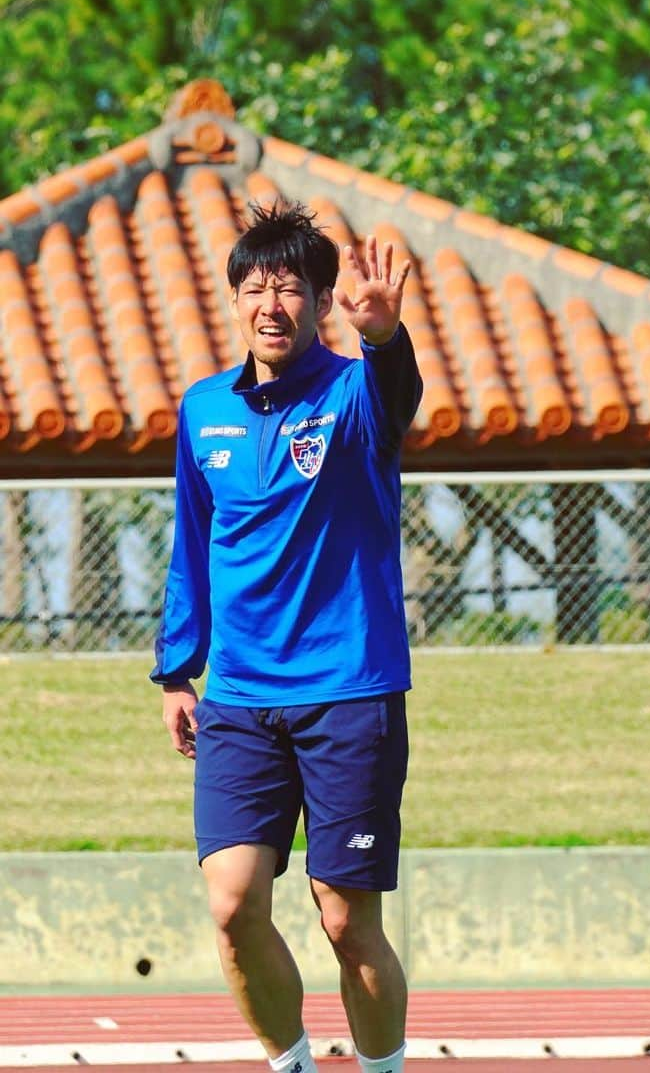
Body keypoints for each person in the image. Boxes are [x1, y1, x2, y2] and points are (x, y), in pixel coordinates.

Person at [151, 200, 421, 1073]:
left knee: (346, 922)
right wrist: (175, 675)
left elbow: (397, 397)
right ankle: (292, 1064)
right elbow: (193, 544)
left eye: (293, 289)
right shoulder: (202, 412)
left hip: (349, 691)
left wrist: (383, 341)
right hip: (237, 698)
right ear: (234, 300)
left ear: (321, 301)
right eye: (256, 288)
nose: (272, 305)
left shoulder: (353, 392)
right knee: (232, 905)